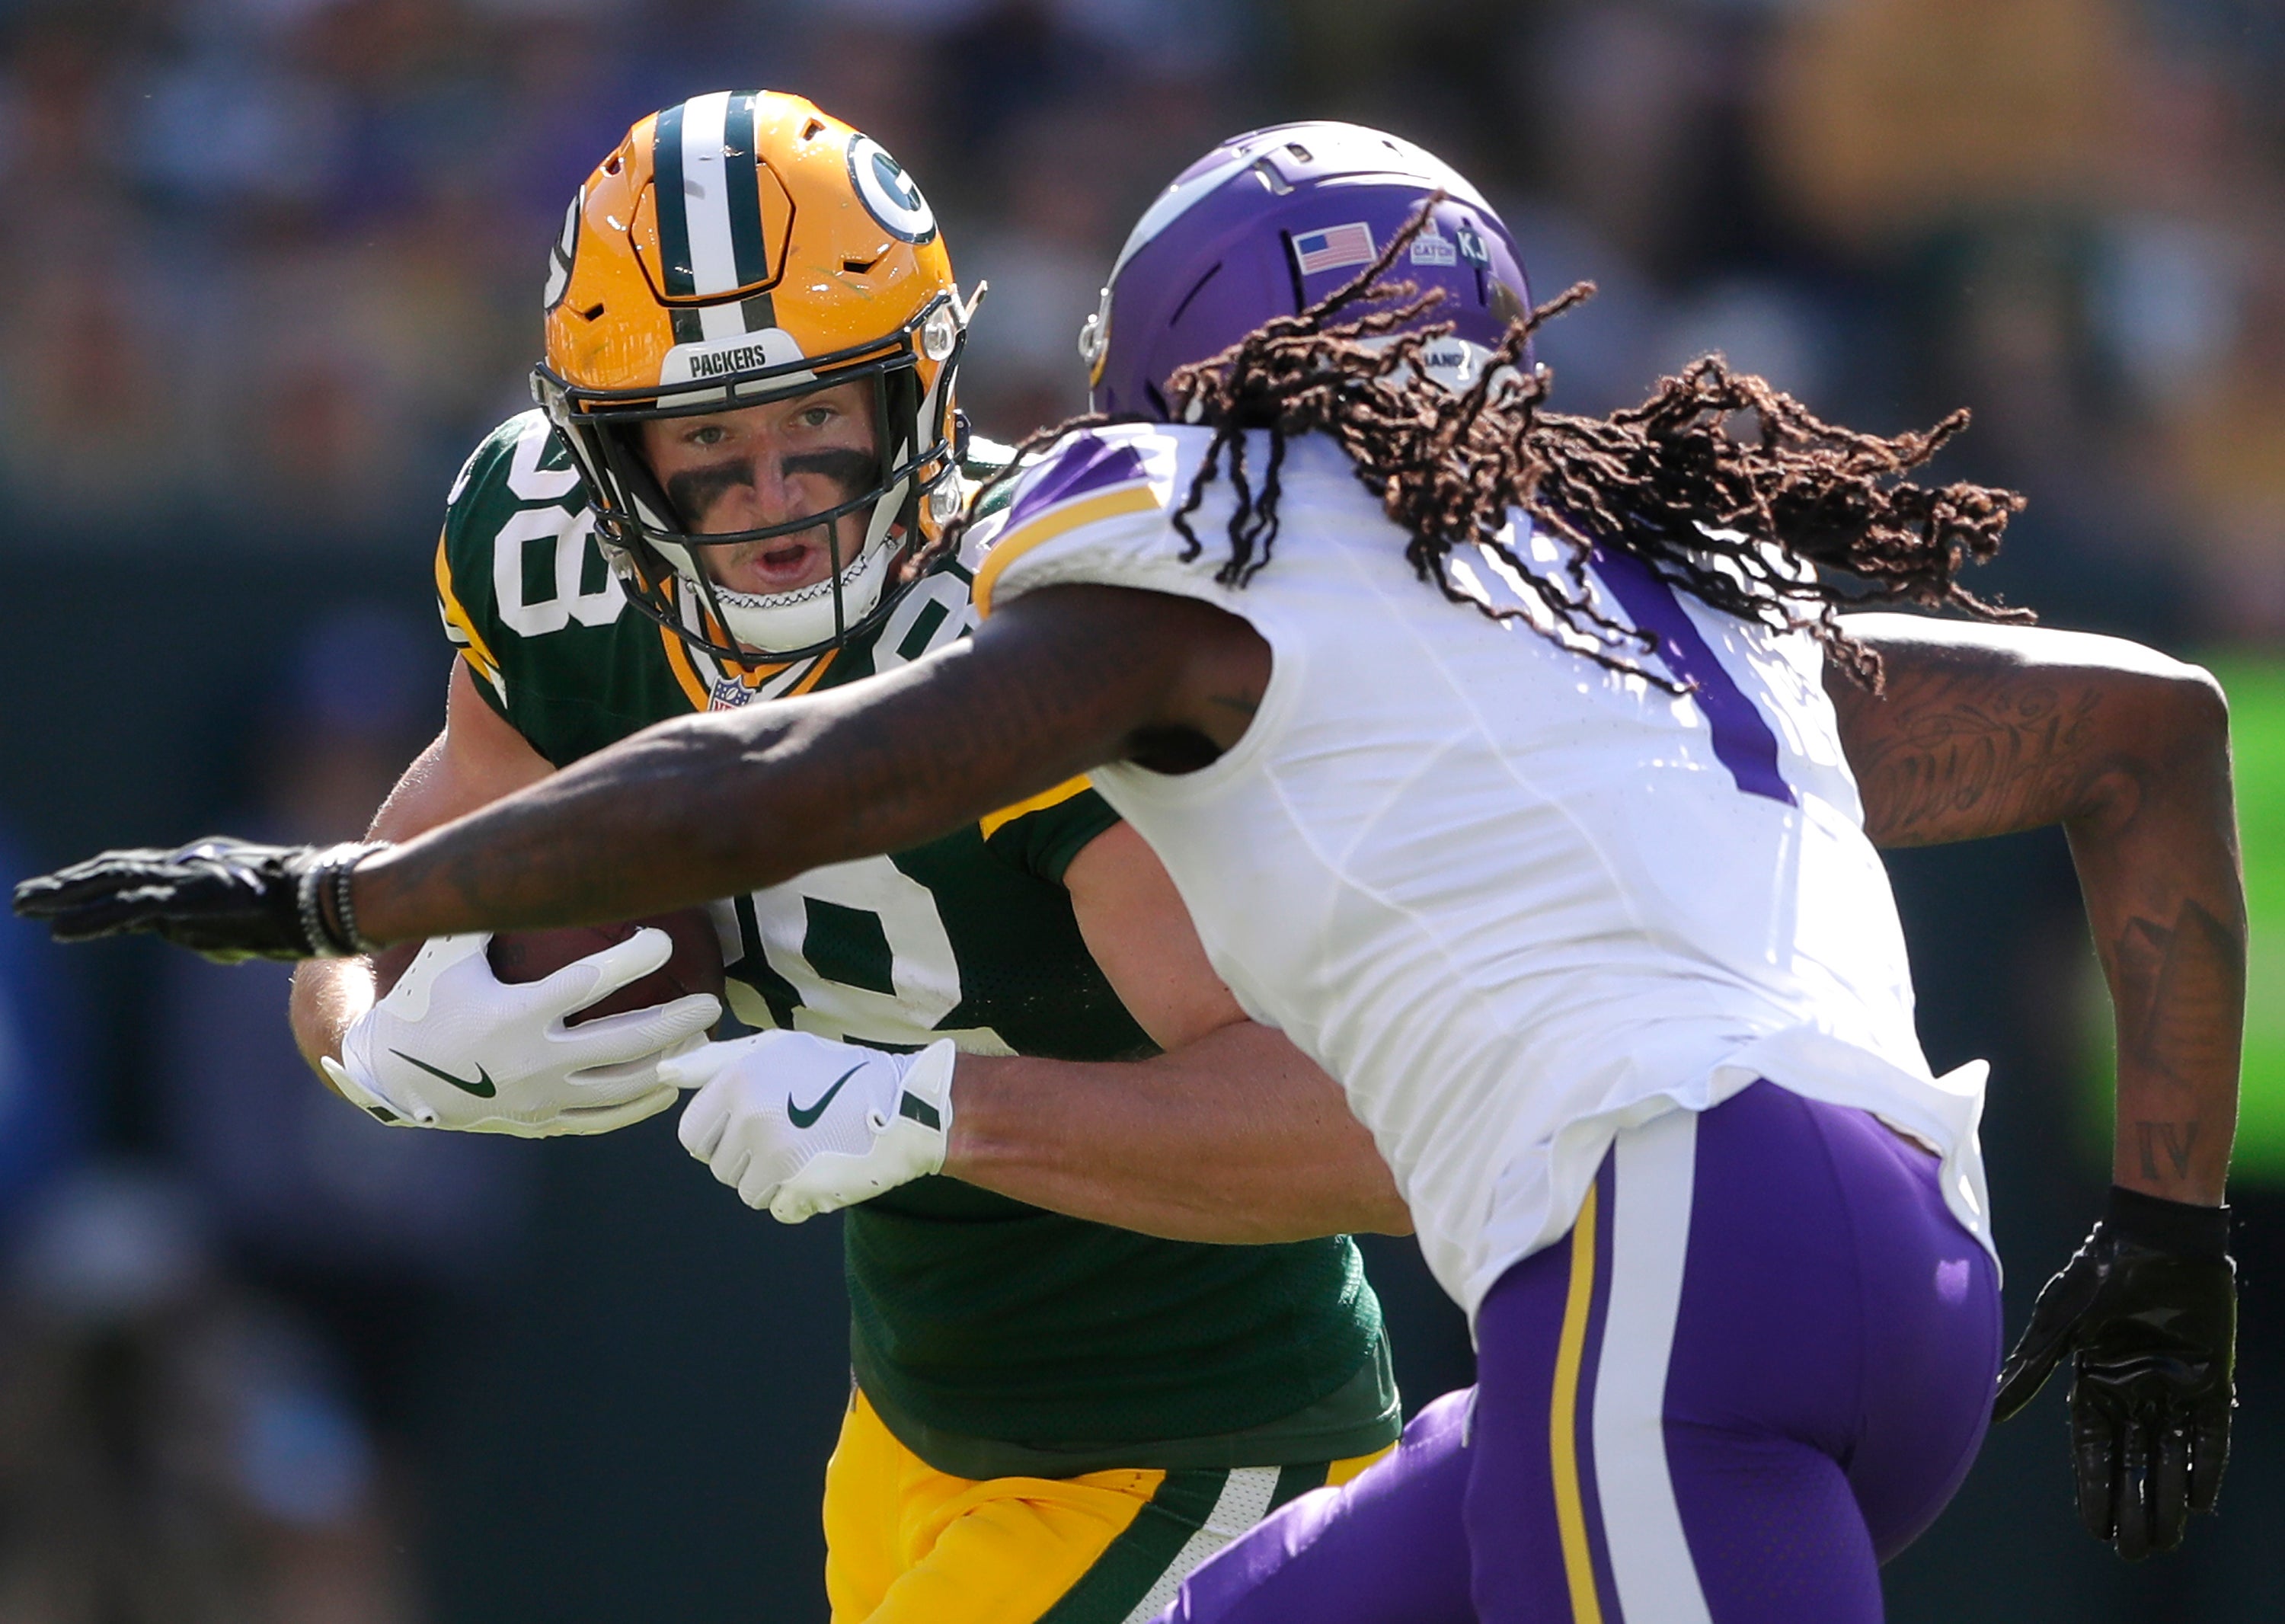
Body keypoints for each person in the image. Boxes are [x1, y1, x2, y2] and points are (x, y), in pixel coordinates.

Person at [16, 122, 2242, 1620]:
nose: (776, 495)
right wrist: (2165, 1231)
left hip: (1667, 1252)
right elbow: (2150, 727)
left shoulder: (1187, 562)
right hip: (1889, 1256)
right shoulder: (1661, 579)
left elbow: (769, 778)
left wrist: (329, 909)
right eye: (707, 444)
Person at [292, 91, 1417, 1624]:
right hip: (914, 1425)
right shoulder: (552, 565)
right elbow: (370, 893)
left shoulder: (1052, 635)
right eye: (708, 440)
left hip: (1204, 1443)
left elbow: (1364, 1131)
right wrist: (372, 1043)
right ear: (605, 454)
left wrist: (937, 1105)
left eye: (818, 421)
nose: (773, 502)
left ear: (921, 389)